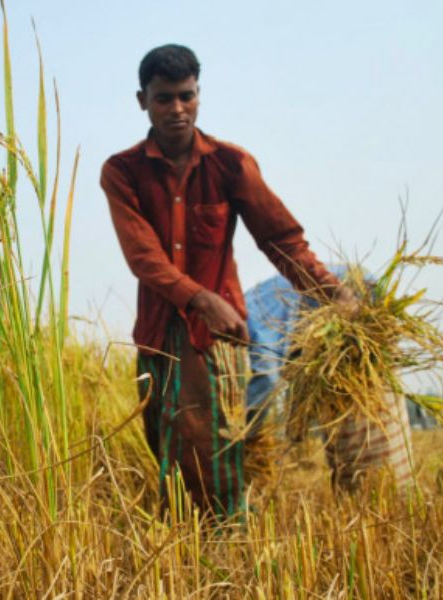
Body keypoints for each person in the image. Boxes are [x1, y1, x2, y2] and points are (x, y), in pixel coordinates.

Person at [101, 44, 353, 519]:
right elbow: (144, 257)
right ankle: (190, 548)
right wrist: (200, 298)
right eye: (163, 99)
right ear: (142, 101)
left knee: (215, 455)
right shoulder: (123, 172)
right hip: (158, 338)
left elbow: (281, 240)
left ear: (198, 94)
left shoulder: (231, 164)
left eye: (187, 96)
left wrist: (332, 292)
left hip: (216, 342)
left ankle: (230, 543)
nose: (177, 109)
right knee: (171, 458)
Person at [243, 270, 415, 492]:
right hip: (353, 298)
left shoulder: (248, 322)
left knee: (370, 416)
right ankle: (369, 492)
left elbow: (267, 377)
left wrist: (245, 434)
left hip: (355, 301)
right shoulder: (251, 307)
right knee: (346, 423)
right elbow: (296, 371)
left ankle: (379, 492)